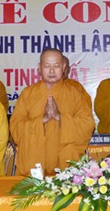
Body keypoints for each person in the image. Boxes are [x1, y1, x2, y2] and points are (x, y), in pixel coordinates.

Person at [10, 48, 95, 176]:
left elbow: (87, 125)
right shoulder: (27, 94)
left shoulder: (75, 94)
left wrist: (60, 118)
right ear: (39, 68)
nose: (51, 71)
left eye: (56, 66)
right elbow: (15, 128)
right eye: (47, 66)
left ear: (64, 67)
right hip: (34, 164)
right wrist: (41, 120)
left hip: (66, 164)